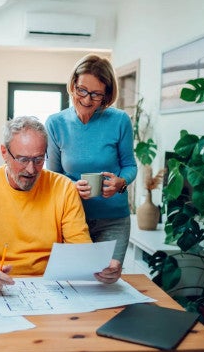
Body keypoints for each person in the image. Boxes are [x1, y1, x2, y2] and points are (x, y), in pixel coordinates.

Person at [0, 116, 122, 293]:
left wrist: (101, 265)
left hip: (51, 287)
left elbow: (80, 247)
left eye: (39, 159)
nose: (31, 169)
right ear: (4, 153)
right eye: (23, 160)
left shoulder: (63, 187)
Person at [45, 54, 137, 265]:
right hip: (71, 220)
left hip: (113, 220)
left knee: (106, 280)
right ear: (73, 84)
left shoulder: (120, 121)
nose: (87, 100)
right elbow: (53, 176)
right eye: (82, 90)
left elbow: (129, 165)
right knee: (75, 281)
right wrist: (72, 187)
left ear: (106, 95)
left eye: (96, 95)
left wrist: (121, 183)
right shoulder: (55, 124)